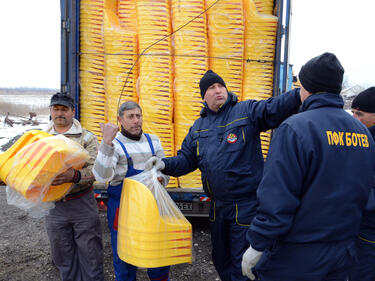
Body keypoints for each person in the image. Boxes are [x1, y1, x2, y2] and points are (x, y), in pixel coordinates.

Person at [145, 69, 302, 281]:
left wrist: (300, 93)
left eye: (221, 86)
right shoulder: (199, 127)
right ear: (204, 96)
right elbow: (187, 159)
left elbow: (272, 108)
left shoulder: (246, 111)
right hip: (218, 207)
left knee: (242, 263)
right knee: (221, 259)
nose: (218, 90)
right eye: (212, 88)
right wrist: (164, 163)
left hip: (245, 206)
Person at [241, 53, 375, 281]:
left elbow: (278, 196)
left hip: (299, 252)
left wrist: (258, 243)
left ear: (308, 88)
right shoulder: (362, 133)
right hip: (344, 250)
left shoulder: (295, 128)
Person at [92, 101, 170, 281]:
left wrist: (161, 179)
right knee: (125, 257)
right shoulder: (115, 145)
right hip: (123, 209)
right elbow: (102, 176)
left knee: (157, 254)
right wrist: (106, 142)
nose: (136, 121)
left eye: (138, 116)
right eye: (130, 117)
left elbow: (165, 171)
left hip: (152, 207)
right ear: (120, 120)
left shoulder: (154, 141)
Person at [45, 93, 104, 281]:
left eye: (64, 109)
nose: (59, 113)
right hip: (54, 207)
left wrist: (75, 176)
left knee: (91, 256)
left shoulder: (86, 137)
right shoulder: (41, 138)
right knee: (63, 258)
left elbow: (97, 170)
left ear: (73, 111)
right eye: (56, 109)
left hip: (81, 204)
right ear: (51, 111)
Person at [349, 87, 375, 281]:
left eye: (360, 114)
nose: (354, 119)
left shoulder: (369, 144)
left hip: (369, 230)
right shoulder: (363, 140)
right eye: (353, 113)